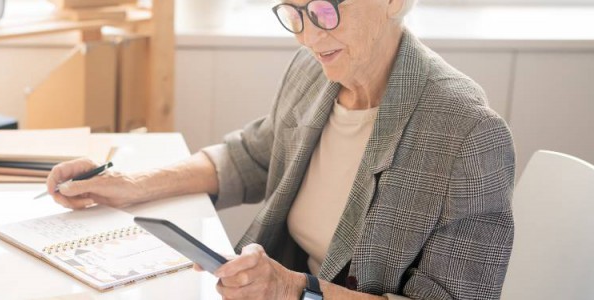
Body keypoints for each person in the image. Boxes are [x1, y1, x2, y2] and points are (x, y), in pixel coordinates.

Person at [45, 0, 516, 298]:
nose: (310, 36)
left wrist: (291, 289)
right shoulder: (314, 70)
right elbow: (252, 155)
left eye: (327, 10)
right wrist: (130, 185)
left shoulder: (468, 134)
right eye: (295, 12)